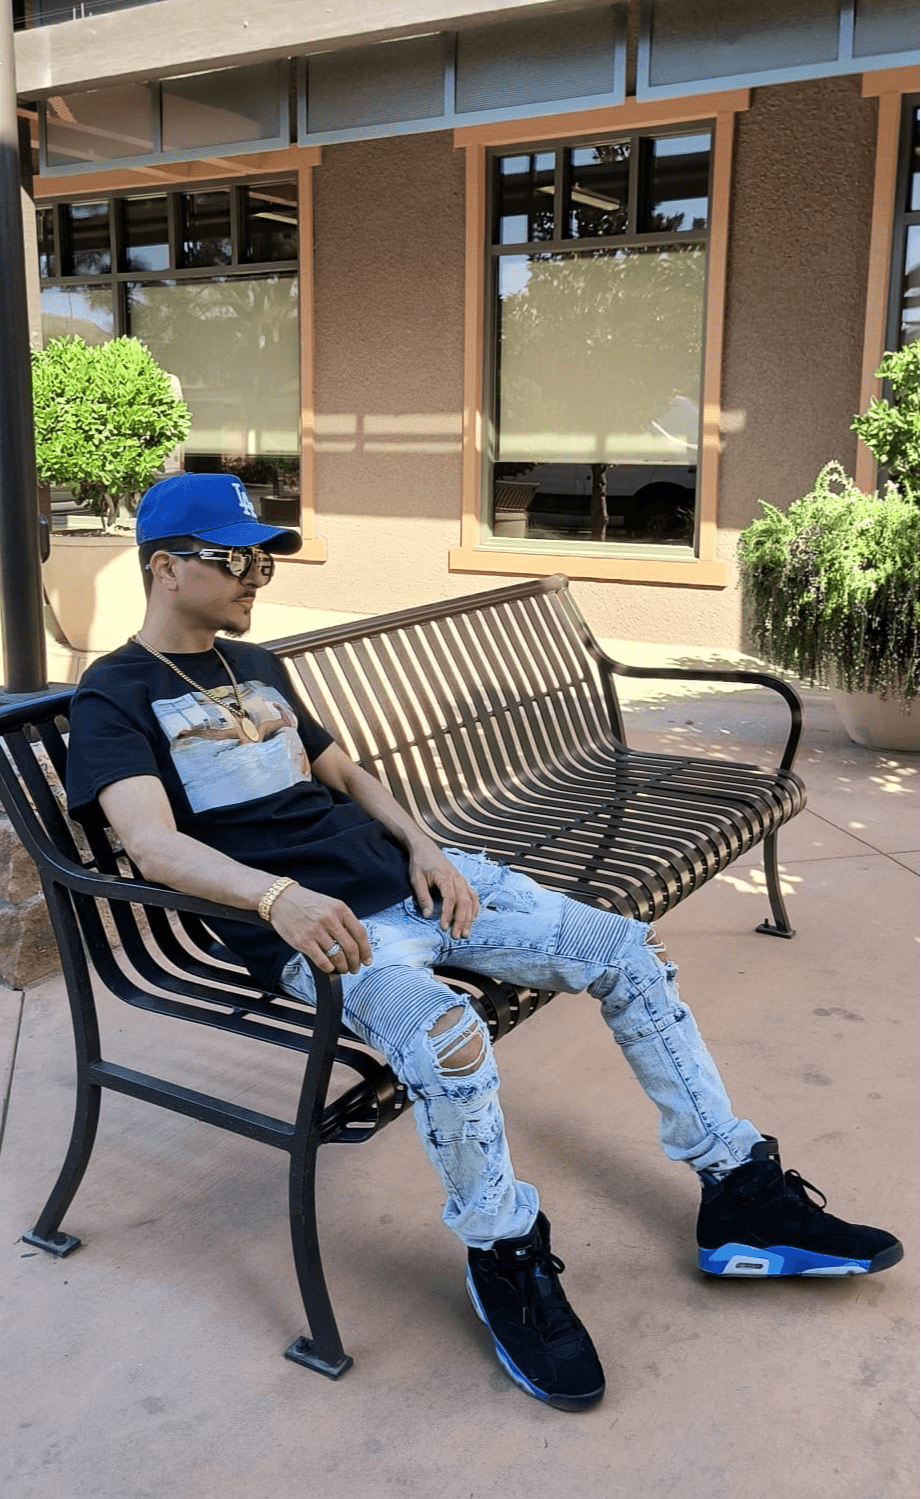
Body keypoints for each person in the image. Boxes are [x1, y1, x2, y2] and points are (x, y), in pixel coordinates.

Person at [65, 473, 903, 1413]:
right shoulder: (113, 695)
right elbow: (149, 842)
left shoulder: (255, 665)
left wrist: (425, 844)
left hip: (413, 886)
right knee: (448, 1035)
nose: (257, 572)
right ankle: (504, 1252)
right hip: (317, 929)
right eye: (235, 556)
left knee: (625, 948)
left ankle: (738, 1191)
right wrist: (278, 898)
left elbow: (345, 771)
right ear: (166, 567)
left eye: (264, 555)